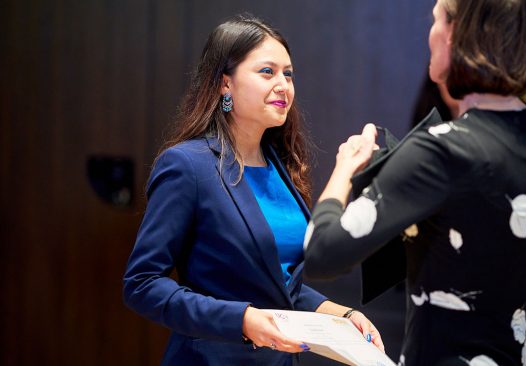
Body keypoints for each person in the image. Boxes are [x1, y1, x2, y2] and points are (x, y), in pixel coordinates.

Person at [123, 14, 383, 366]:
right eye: (267, 72)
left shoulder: (280, 165)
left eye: (288, 74)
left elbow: (275, 284)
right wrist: (241, 319)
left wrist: (341, 314)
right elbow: (142, 284)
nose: (283, 85)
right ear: (225, 84)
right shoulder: (188, 165)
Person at [303, 1, 526, 365]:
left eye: (434, 20)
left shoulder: (441, 149)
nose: (429, 34)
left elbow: (322, 252)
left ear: (454, 34)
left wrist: (346, 165)